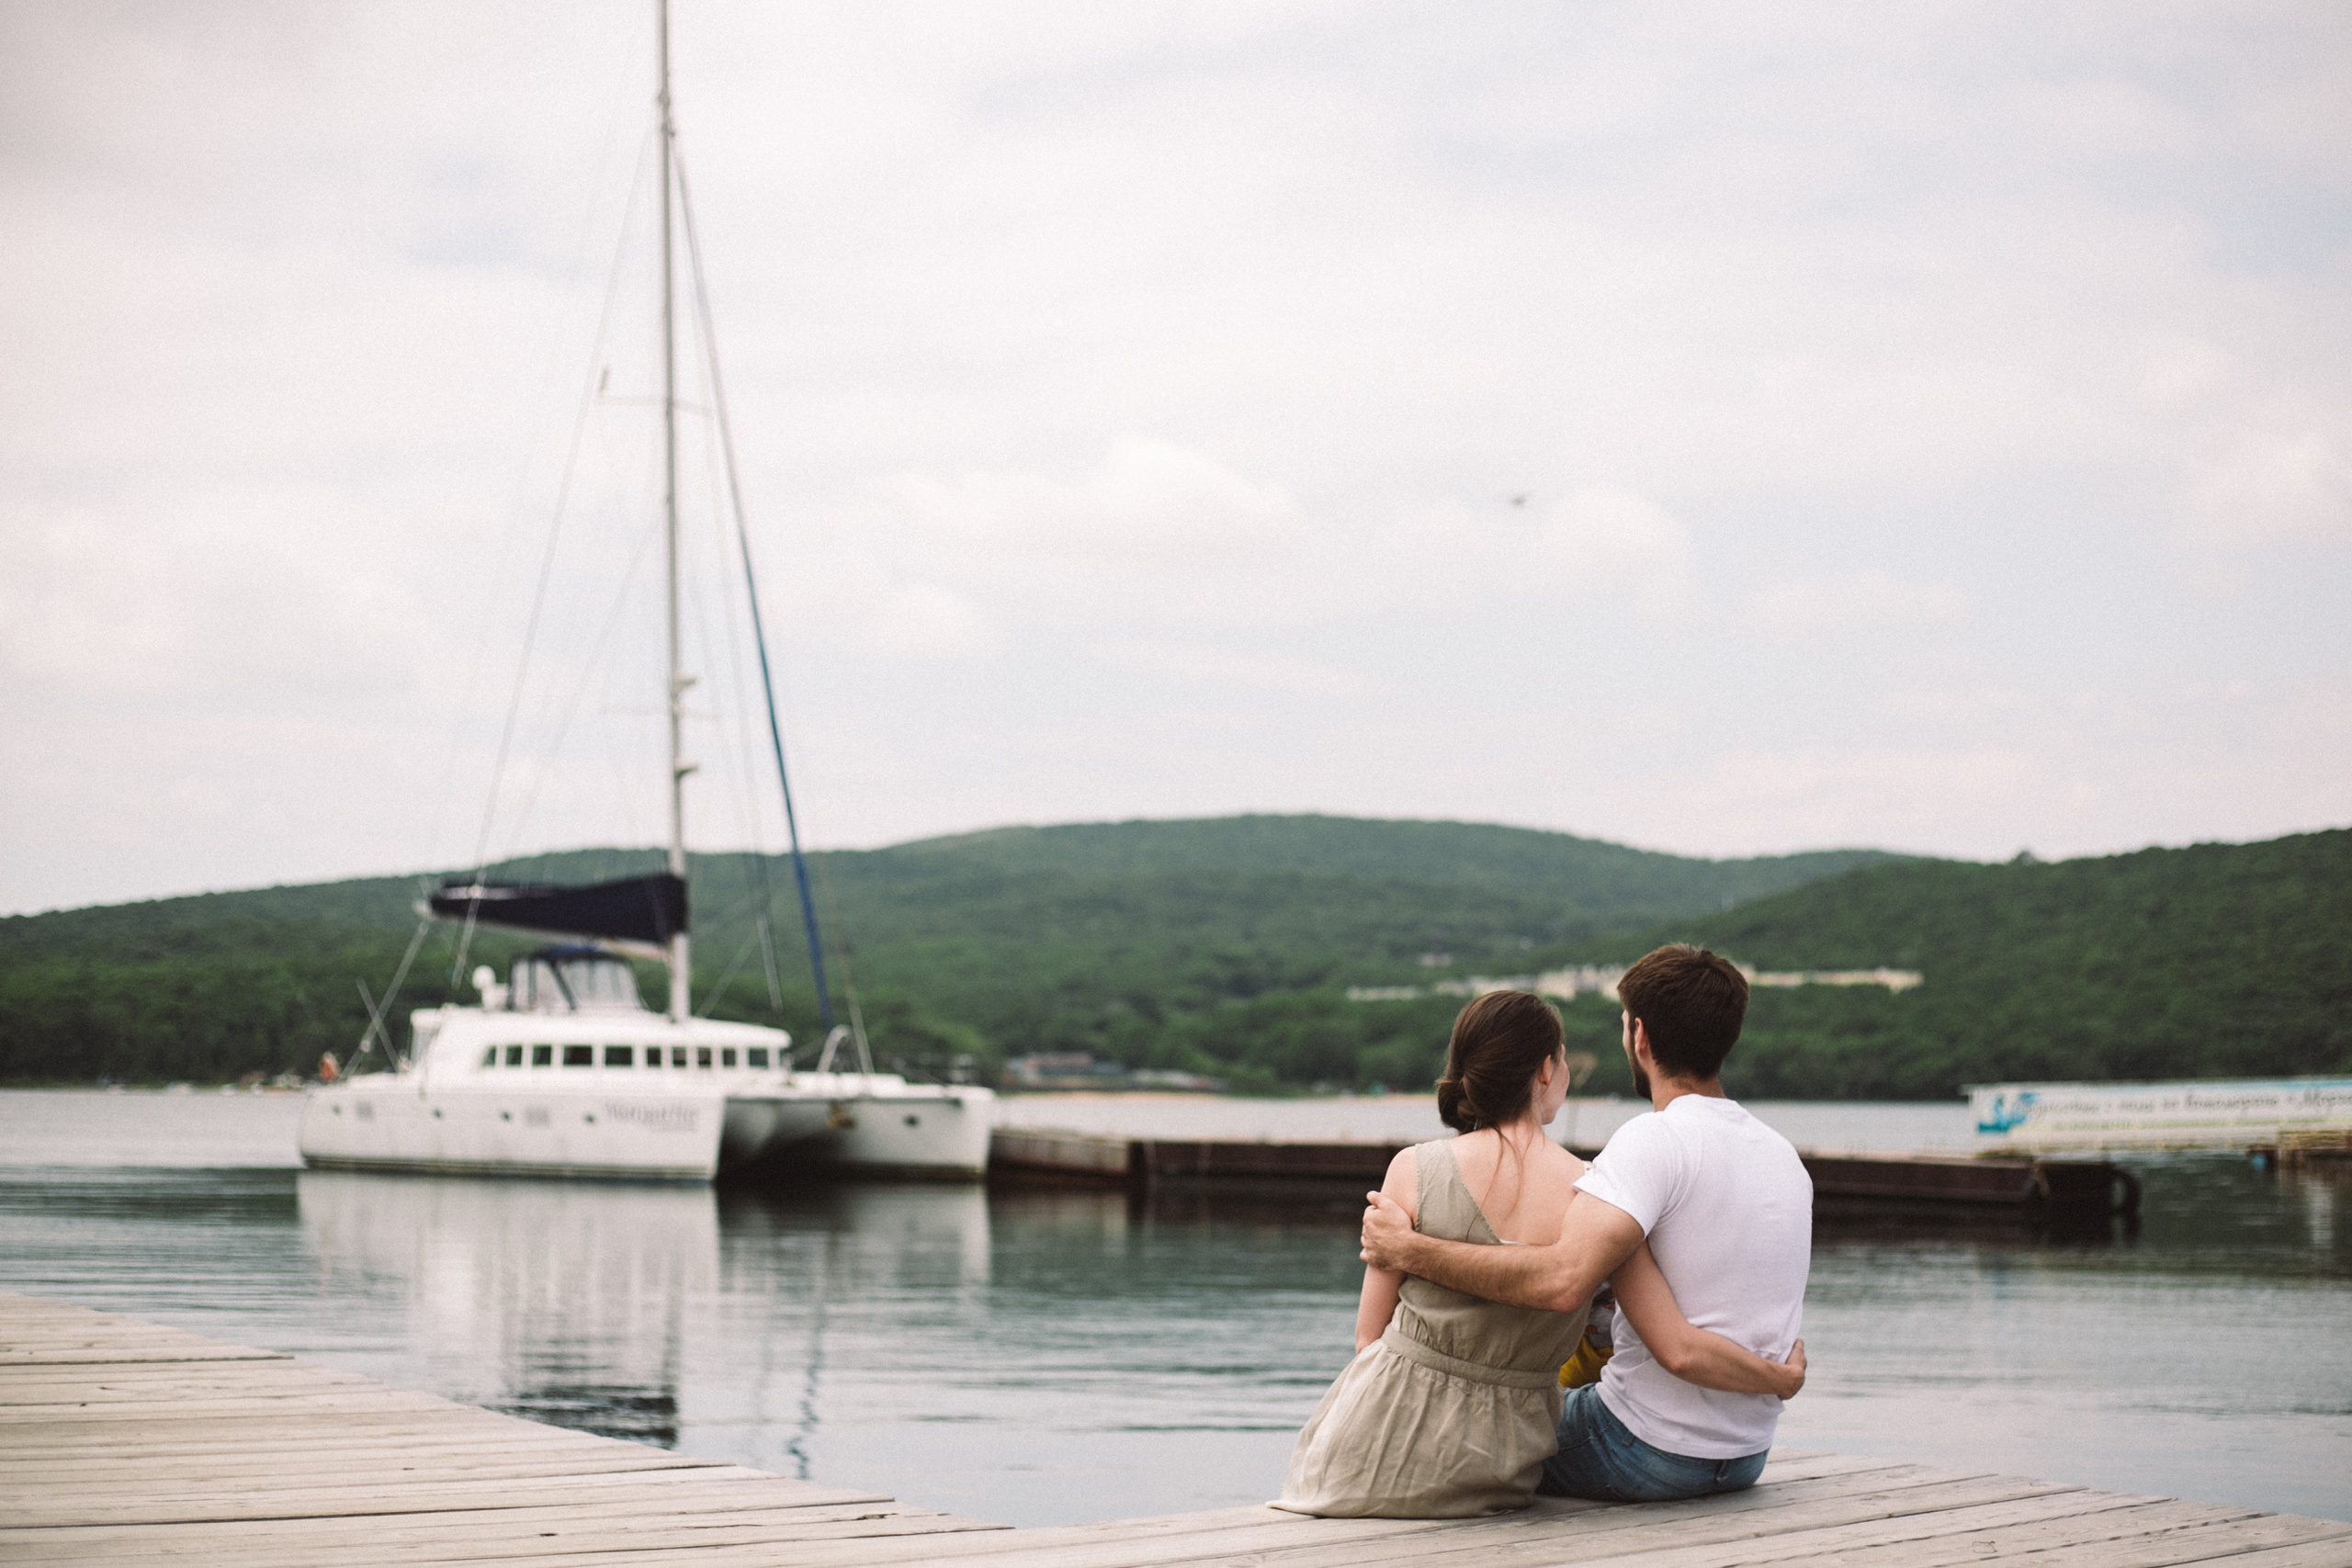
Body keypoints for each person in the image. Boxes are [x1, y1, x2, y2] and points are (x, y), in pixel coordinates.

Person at [1277, 988, 1804, 1518]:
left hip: (1374, 1445)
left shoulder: (1412, 1168)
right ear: (1547, 1071)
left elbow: (1369, 1339)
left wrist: (1411, 1252)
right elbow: (1642, 1325)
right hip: (1503, 1460)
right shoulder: (1594, 1188)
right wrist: (1774, 1377)